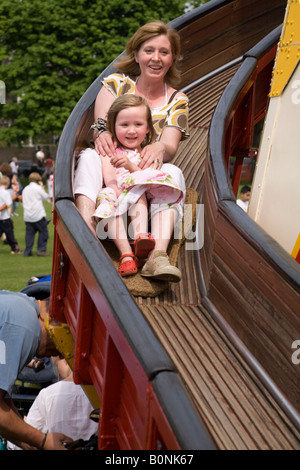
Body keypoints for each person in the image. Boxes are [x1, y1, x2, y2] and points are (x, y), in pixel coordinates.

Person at [74, 20, 189, 236]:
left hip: (144, 171)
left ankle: (158, 250)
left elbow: (170, 145)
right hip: (113, 166)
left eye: (164, 52)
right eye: (149, 50)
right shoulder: (117, 84)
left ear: (172, 59)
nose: (156, 58)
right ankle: (86, 234)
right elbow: (102, 123)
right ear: (137, 56)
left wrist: (160, 147)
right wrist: (104, 131)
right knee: (90, 156)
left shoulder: (177, 100)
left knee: (173, 171)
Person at [94, 94, 183, 282]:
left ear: (148, 128)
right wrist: (118, 189)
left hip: (137, 194)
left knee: (137, 192)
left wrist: (129, 165)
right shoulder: (110, 151)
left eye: (138, 125)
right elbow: (110, 178)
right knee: (109, 196)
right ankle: (126, 254)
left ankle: (142, 236)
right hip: (117, 191)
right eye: (124, 125)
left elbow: (144, 176)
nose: (131, 131)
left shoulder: (147, 153)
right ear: (113, 127)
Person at [0, 290, 73, 450]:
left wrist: (32, 445)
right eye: (66, 336)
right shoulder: (25, 328)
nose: (61, 353)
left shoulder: (24, 306)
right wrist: (44, 441)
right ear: (53, 321)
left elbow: (3, 404)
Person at [24, 359, 98, 443]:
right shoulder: (100, 393)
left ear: (66, 361)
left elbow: (32, 432)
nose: (56, 368)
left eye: (57, 363)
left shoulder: (47, 394)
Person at [22, 172, 50, 257]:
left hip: (27, 215)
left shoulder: (25, 189)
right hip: (38, 214)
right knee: (43, 232)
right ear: (38, 180)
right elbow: (46, 197)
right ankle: (41, 250)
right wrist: (41, 187)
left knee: (29, 234)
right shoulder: (38, 188)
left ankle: (28, 251)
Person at [0, 175, 22, 254]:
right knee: (10, 234)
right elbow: (8, 204)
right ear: (8, 183)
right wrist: (14, 197)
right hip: (5, 218)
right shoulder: (6, 193)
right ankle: (15, 248)